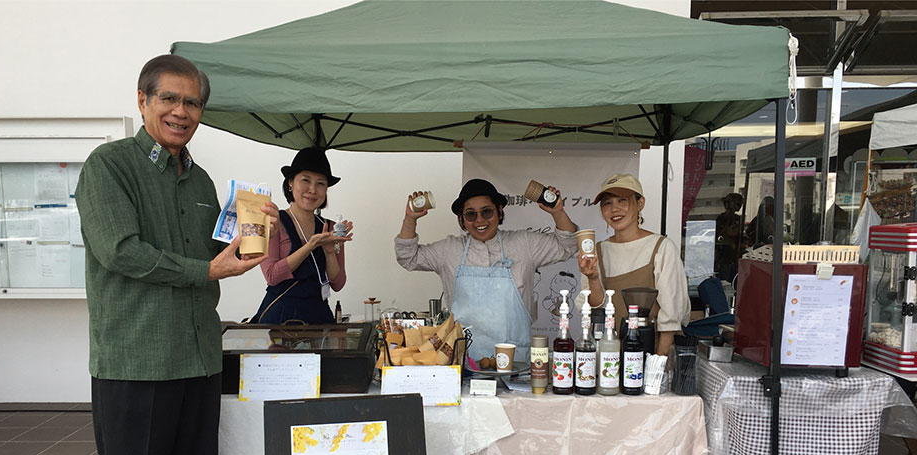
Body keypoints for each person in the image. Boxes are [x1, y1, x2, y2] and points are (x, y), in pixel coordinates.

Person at [75, 54, 265, 455]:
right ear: (143, 100)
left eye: (193, 103)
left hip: (200, 363)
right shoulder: (109, 166)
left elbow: (213, 253)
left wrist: (258, 230)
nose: (182, 111)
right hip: (137, 366)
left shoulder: (200, 180)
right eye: (169, 98)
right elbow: (120, 251)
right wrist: (207, 269)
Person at [396, 178, 578, 362]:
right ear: (462, 219)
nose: (480, 220)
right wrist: (410, 218)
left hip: (516, 363)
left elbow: (568, 246)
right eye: (471, 215)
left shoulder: (524, 244)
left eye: (487, 212)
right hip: (464, 361)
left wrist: (558, 212)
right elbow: (408, 257)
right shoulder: (449, 250)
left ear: (499, 211)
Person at [579, 173, 690, 356]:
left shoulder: (661, 247)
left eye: (622, 200)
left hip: (652, 352)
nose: (614, 209)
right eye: (607, 203)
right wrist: (593, 278)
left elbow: (671, 317)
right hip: (610, 355)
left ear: (640, 203)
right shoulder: (599, 250)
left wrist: (657, 364)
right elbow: (595, 308)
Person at [250, 147, 353, 324]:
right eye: (305, 180)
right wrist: (310, 245)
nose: (312, 190)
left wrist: (329, 252)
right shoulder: (273, 221)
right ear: (290, 182)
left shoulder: (330, 228)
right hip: (281, 318)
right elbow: (272, 276)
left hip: (319, 317)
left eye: (320, 183)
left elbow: (338, 284)